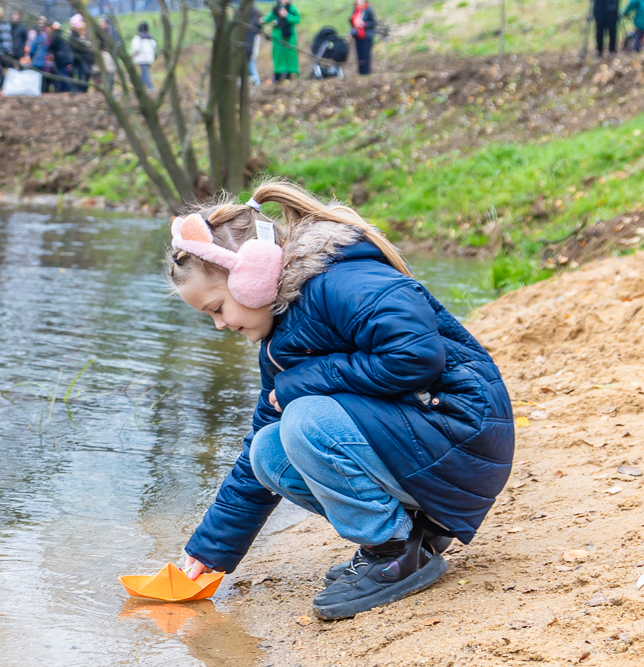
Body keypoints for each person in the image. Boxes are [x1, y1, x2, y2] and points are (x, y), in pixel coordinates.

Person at [166, 180, 514, 620]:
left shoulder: (344, 281)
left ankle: (390, 553)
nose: (218, 324)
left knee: (305, 419)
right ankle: (416, 535)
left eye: (216, 308)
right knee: (267, 450)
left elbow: (417, 357)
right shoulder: (280, 336)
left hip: (464, 434)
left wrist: (308, 380)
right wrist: (210, 550)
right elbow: (259, 440)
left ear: (251, 276)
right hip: (429, 443)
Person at [265, 0, 300, 81]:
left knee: (291, 54)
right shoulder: (275, 9)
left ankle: (291, 73)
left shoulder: (292, 9)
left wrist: (286, 15)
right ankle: (278, 74)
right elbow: (268, 18)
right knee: (278, 54)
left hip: (289, 36)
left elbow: (297, 19)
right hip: (278, 37)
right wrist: (261, 20)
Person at [67, 13, 93, 93]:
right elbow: (73, 46)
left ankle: (83, 89)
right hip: (79, 58)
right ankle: (80, 89)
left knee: (84, 74)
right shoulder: (74, 35)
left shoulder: (86, 34)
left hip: (85, 58)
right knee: (80, 74)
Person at [350, 0, 377, 75]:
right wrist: (351, 33)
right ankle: (361, 72)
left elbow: (374, 22)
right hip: (357, 36)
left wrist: (364, 24)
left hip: (366, 35)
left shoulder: (368, 9)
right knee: (359, 54)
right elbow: (352, 23)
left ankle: (367, 72)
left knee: (366, 54)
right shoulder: (355, 10)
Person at [46, 21, 73, 92]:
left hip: (60, 58)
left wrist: (48, 48)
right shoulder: (60, 35)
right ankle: (64, 88)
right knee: (63, 72)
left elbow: (53, 45)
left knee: (62, 73)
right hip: (63, 58)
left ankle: (65, 88)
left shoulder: (56, 36)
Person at [129, 22, 157, 92]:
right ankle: (140, 86)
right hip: (149, 59)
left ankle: (150, 87)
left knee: (145, 73)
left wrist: (132, 56)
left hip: (142, 59)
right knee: (144, 73)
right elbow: (154, 47)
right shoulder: (151, 39)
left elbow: (135, 49)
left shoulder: (138, 38)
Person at [244, 6, 262, 88]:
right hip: (244, 42)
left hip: (252, 41)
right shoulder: (240, 12)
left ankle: (256, 82)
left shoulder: (254, 13)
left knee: (251, 61)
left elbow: (257, 30)